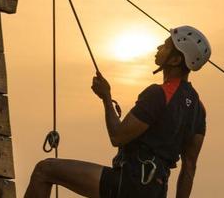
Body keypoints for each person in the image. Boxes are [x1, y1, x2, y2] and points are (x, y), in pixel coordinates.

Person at [24, 26, 211, 198]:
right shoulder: (198, 109)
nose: (159, 47)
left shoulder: (159, 94)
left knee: (45, 170)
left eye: (166, 45)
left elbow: (117, 136)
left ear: (176, 59)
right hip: (155, 190)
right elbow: (189, 167)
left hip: (131, 183)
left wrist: (106, 97)